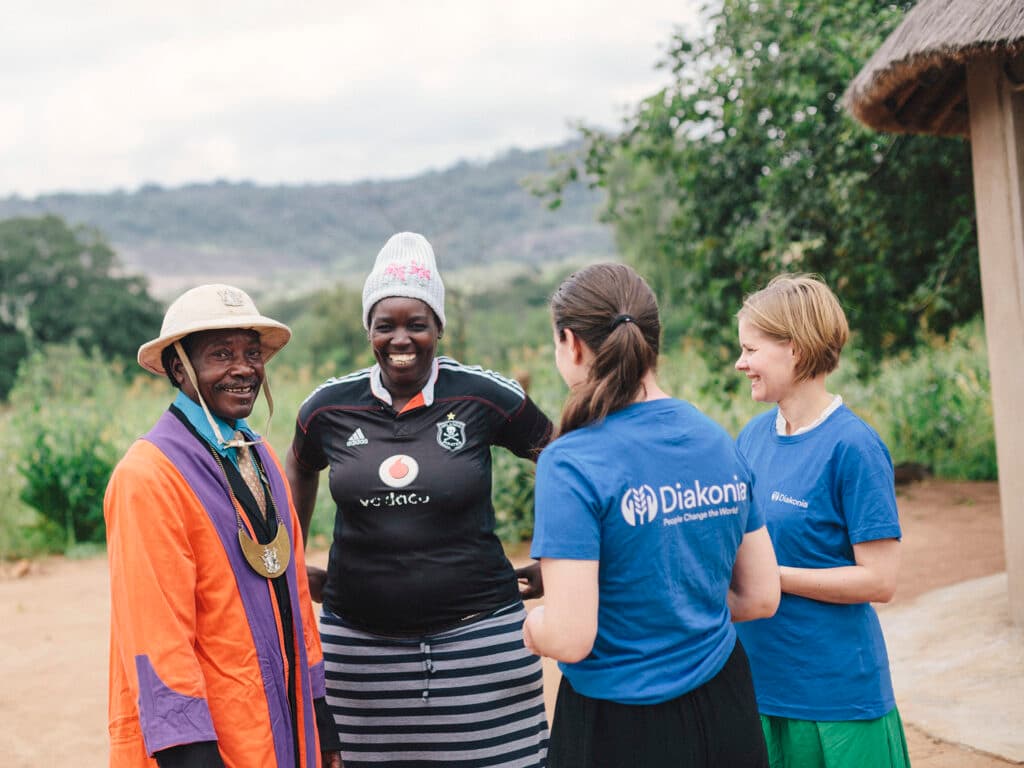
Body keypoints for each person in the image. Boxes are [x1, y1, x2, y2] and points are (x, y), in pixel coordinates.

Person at [286, 232, 552, 767]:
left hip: (481, 645)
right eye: (386, 325)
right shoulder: (329, 408)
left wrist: (556, 553)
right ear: (369, 331)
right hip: (358, 657)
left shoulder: (481, 395)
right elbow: (298, 463)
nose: (401, 338)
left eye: (417, 324)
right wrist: (292, 562)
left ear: (439, 328)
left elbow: (560, 454)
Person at [523, 262, 780, 767]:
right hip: (727, 711)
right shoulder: (715, 438)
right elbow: (761, 595)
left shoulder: (571, 461)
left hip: (620, 727)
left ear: (571, 343)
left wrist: (533, 626)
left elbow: (572, 638)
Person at [104, 284, 342, 768]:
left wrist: (320, 720)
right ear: (178, 368)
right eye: (220, 354)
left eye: (252, 353)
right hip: (210, 747)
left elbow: (296, 595)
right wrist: (192, 757)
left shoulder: (258, 456)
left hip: (284, 735)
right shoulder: (148, 476)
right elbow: (157, 639)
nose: (244, 368)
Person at [733, 274, 910, 767]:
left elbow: (881, 579)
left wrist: (771, 577)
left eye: (751, 349)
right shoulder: (750, 439)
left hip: (837, 702)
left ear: (793, 348)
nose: (740, 363)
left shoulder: (853, 446)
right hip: (760, 690)